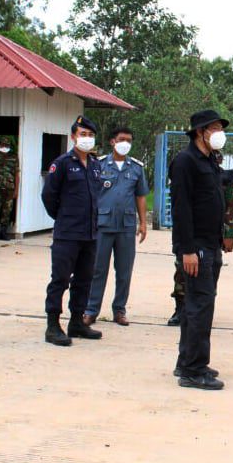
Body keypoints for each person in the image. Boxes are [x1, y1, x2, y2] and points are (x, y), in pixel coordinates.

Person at [169, 110, 233, 390]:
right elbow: (181, 208)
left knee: (197, 307)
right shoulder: (185, 161)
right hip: (196, 247)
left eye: (222, 127)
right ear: (200, 131)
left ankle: (187, 361)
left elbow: (223, 179)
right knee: (199, 307)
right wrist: (187, 250)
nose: (221, 132)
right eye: (216, 127)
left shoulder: (207, 161)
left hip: (211, 244)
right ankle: (193, 371)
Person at [40, 115, 104, 346]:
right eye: (82, 134)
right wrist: (63, 217)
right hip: (67, 233)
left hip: (90, 233)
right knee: (60, 279)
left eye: (90, 135)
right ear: (73, 137)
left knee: (85, 279)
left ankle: (77, 322)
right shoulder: (63, 163)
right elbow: (49, 196)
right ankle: (52, 325)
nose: (86, 139)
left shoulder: (96, 166)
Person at [167, 151, 233, 327]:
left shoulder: (223, 179)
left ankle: (204, 310)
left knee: (211, 272)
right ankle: (180, 309)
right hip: (189, 235)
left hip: (212, 237)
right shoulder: (189, 176)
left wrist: (229, 235)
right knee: (181, 273)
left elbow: (232, 208)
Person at [84, 127, 149, 326]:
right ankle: (91, 309)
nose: (125, 143)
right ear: (113, 141)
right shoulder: (99, 164)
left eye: (129, 140)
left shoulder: (136, 168)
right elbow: (91, 194)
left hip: (126, 226)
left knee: (124, 271)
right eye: (122, 139)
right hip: (102, 225)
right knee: (97, 270)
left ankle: (119, 310)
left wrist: (143, 222)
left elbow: (140, 196)